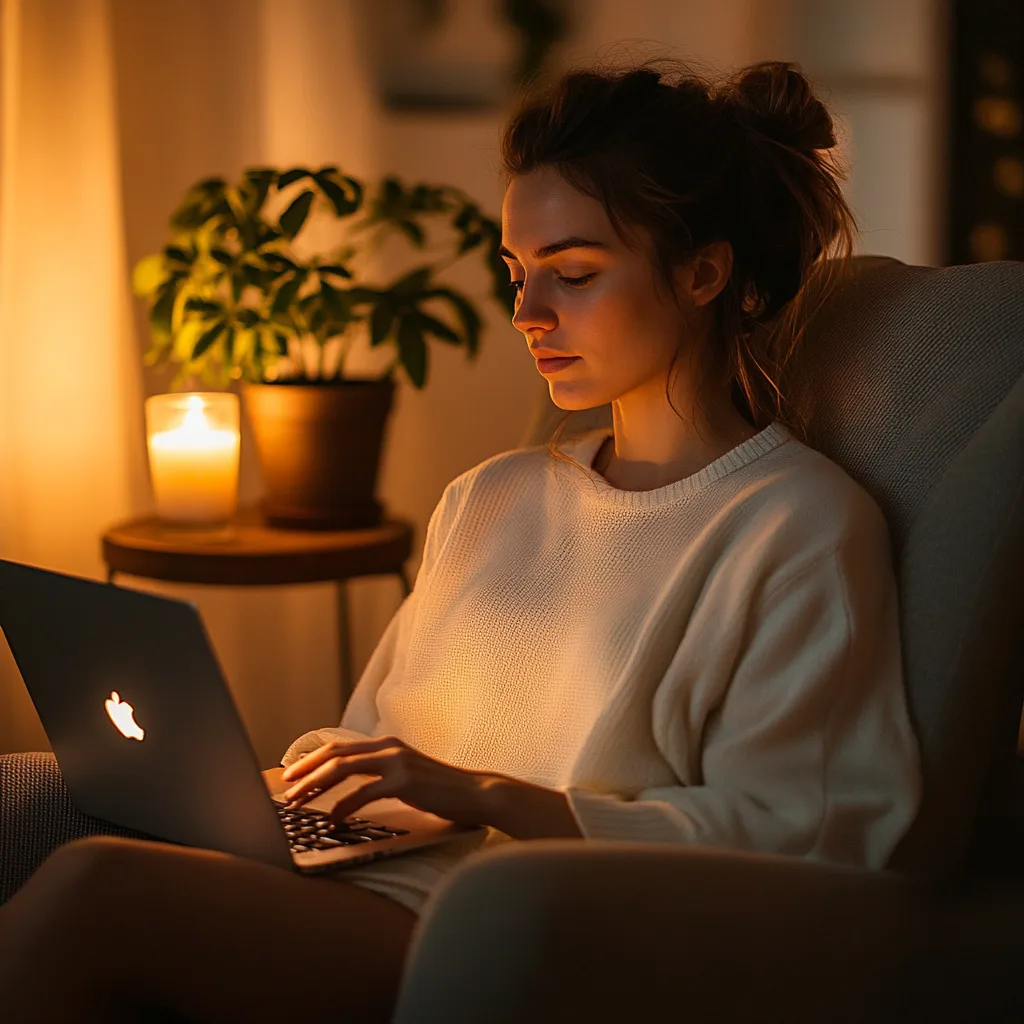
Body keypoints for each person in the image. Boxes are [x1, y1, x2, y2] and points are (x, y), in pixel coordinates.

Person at [0, 57, 922, 1022]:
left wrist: (485, 794)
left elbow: (800, 835)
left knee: (95, 886)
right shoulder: (492, 495)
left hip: (485, 933)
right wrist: (279, 781)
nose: (527, 315)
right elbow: (369, 735)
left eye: (572, 274)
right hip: (341, 879)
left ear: (702, 270)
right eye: (516, 274)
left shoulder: (795, 527)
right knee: (33, 809)